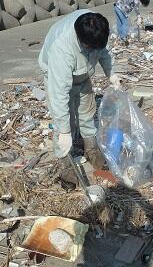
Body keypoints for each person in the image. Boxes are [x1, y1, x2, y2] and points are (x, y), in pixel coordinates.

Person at [39, 10, 121, 185]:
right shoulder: (62, 50)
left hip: (82, 75)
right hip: (57, 75)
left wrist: (111, 73)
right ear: (83, 43)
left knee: (87, 112)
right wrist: (64, 132)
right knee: (65, 121)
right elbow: (59, 94)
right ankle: (65, 163)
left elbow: (104, 52)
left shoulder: (97, 26)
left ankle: (91, 149)